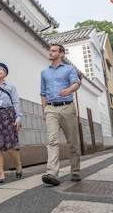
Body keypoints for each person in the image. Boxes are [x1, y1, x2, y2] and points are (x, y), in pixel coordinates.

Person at [40, 43, 81, 186]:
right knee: (52, 141)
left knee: (73, 142)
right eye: (50, 51)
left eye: (53, 51)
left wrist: (68, 90)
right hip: (51, 109)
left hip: (67, 107)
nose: (50, 53)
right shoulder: (44, 73)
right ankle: (52, 173)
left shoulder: (69, 69)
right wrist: (44, 110)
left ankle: (75, 171)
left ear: (61, 54)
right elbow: (43, 93)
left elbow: (76, 84)